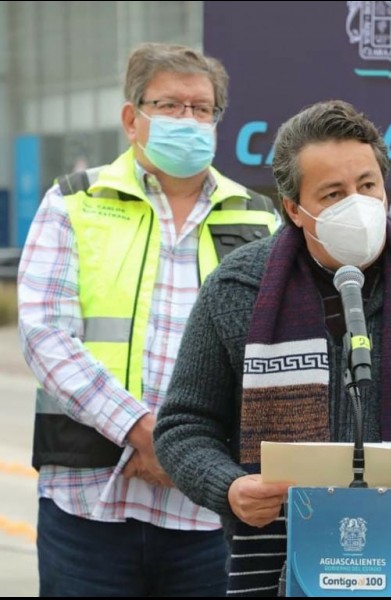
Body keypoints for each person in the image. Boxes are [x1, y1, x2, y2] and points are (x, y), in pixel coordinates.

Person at [153, 99, 391, 596]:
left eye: (367, 186)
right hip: (279, 567)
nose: (357, 205)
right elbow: (183, 426)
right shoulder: (237, 289)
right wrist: (227, 487)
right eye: (333, 194)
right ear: (294, 209)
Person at [17, 42, 279, 596]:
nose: (188, 119)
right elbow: (45, 336)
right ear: (131, 118)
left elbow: (276, 357)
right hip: (89, 505)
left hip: (210, 511)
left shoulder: (260, 220)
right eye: (169, 105)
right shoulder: (73, 202)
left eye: (202, 108)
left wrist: (189, 456)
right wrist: (144, 433)